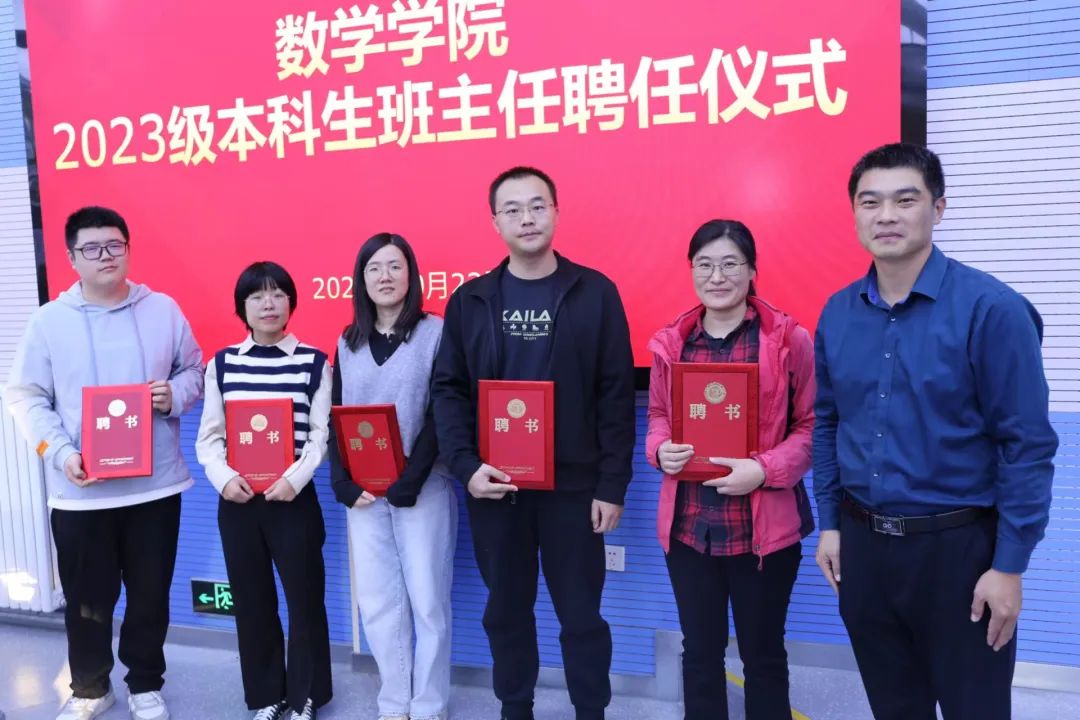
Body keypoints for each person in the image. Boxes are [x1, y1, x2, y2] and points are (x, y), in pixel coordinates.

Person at [813, 143, 1058, 720]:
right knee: (894, 707)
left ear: (938, 209)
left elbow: (1026, 446)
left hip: (960, 554)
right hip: (864, 549)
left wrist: (1009, 566)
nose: (886, 216)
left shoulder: (992, 310)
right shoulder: (837, 313)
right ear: (855, 213)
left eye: (905, 200)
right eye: (870, 202)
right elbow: (828, 422)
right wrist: (830, 525)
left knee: (976, 709)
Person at [432, 166, 636, 720]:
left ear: (556, 212)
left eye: (538, 205)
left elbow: (616, 393)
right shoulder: (471, 300)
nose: (527, 218)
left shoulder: (594, 292)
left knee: (582, 615)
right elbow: (448, 390)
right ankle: (515, 707)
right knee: (505, 611)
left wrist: (612, 484)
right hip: (496, 487)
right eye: (513, 209)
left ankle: (590, 710)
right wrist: (465, 466)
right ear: (495, 222)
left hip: (574, 489)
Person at [6, 206, 204, 720]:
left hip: (155, 487)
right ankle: (92, 688)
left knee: (149, 595)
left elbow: (194, 371)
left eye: (115, 245)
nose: (105, 256)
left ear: (128, 249)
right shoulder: (48, 322)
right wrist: (60, 453)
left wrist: (173, 396)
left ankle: (145, 683)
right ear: (72, 258)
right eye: (91, 248)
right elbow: (26, 396)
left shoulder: (163, 310)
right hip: (80, 490)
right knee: (86, 601)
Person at [645, 219, 815, 720]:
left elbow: (811, 428)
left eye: (729, 264)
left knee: (763, 657)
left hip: (761, 534)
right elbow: (658, 415)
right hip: (690, 529)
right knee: (699, 654)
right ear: (691, 270)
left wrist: (763, 470)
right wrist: (659, 450)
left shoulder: (788, 340)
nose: (716, 277)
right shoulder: (672, 342)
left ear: (752, 270)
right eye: (704, 265)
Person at [195, 261, 332, 720]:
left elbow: (320, 436)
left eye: (277, 294)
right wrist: (223, 478)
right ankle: (267, 695)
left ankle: (306, 694)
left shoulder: (314, 362)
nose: (268, 303)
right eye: (257, 296)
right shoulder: (222, 363)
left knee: (305, 599)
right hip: (238, 502)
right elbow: (210, 436)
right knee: (252, 601)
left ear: (291, 302)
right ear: (243, 307)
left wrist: (294, 479)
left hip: (292, 499)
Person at [329, 233, 457, 720]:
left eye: (395, 266)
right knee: (379, 602)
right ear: (361, 279)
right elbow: (336, 416)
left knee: (428, 601)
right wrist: (342, 481)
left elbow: (442, 411)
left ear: (411, 275)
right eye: (374, 268)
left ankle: (427, 705)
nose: (385, 277)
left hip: (422, 488)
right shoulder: (347, 341)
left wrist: (412, 477)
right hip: (365, 494)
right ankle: (394, 701)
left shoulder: (435, 332)